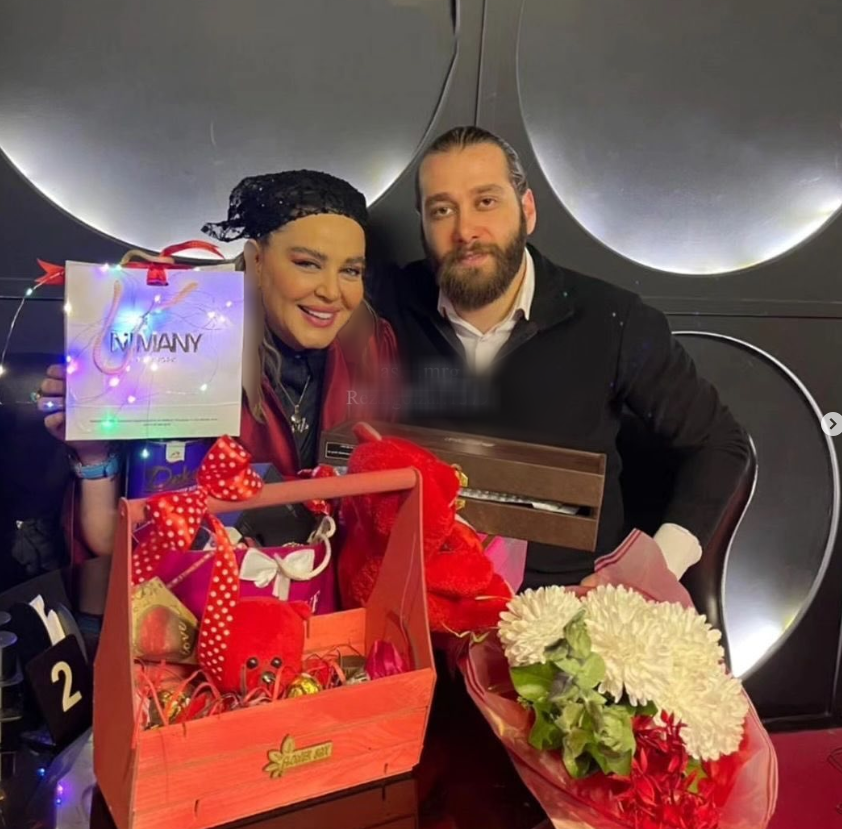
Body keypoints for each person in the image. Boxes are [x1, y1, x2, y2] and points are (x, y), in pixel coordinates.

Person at [367, 126, 751, 589]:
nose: (465, 230)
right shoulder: (381, 308)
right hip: (421, 591)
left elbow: (720, 443)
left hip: (568, 600)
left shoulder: (613, 321)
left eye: (486, 201)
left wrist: (654, 569)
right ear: (423, 226)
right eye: (442, 210)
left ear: (527, 210)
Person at [38, 170, 396, 565]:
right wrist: (93, 451)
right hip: (209, 592)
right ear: (256, 260)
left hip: (330, 590)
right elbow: (114, 539)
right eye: (308, 263)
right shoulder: (183, 341)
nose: (331, 292)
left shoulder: (371, 349)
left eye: (350, 270)